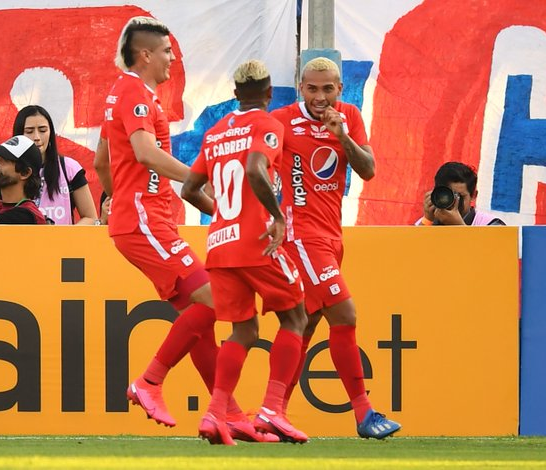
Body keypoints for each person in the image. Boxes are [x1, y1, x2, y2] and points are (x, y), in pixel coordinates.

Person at [96, 16, 269, 442]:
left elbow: (103, 161)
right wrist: (199, 178)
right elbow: (145, 153)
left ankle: (225, 414)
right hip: (144, 222)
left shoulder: (124, 93)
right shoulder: (135, 91)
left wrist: (120, 199)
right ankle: (151, 381)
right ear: (146, 55)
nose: (174, 58)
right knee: (216, 301)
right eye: (168, 51)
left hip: (142, 220)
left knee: (203, 318)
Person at [271, 57, 401, 439]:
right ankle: (364, 414)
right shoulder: (280, 120)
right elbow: (256, 166)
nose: (320, 97)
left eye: (328, 89)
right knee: (345, 314)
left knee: (305, 327)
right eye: (312, 88)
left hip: (331, 236)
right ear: (300, 88)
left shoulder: (349, 116)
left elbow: (369, 170)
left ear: (340, 89)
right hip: (301, 236)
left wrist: (341, 135)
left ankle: (273, 411)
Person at [182, 59, 308, 445]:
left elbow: (188, 190)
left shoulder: (217, 132)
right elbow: (255, 169)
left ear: (235, 94)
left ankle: (216, 414)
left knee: (244, 330)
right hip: (257, 242)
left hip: (220, 245)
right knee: (296, 317)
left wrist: (222, 215)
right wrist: (276, 217)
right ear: (270, 93)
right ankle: (272, 410)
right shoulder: (269, 125)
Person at [0, 105, 98, 225]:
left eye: (43, 130)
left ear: (51, 133)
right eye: (29, 131)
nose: (36, 137)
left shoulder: (69, 167)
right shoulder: (6, 172)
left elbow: (90, 218)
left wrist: (65, 239)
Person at [416, 161, 506, 226]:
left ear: (473, 196)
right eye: (448, 196)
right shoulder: (426, 223)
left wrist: (459, 226)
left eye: (459, 196)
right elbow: (411, 250)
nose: (454, 202)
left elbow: (493, 252)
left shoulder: (491, 225)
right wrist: (427, 220)